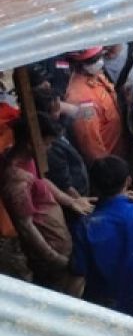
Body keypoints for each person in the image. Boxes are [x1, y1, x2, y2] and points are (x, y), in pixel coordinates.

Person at [70, 156, 133, 321]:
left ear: (93, 185)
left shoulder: (85, 225)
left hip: (102, 305)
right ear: (128, 181)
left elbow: (79, 270)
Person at [0, 115, 92, 293]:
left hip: (56, 245)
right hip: (48, 254)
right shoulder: (17, 179)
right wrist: (55, 258)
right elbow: (26, 227)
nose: (49, 148)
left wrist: (71, 201)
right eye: (47, 143)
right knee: (59, 294)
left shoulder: (28, 159)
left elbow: (43, 180)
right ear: (30, 143)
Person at [64, 47, 128, 165]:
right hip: (111, 163)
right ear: (80, 64)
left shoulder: (95, 76)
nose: (100, 61)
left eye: (100, 56)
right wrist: (107, 169)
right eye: (95, 59)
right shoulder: (82, 99)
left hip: (120, 150)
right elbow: (91, 146)